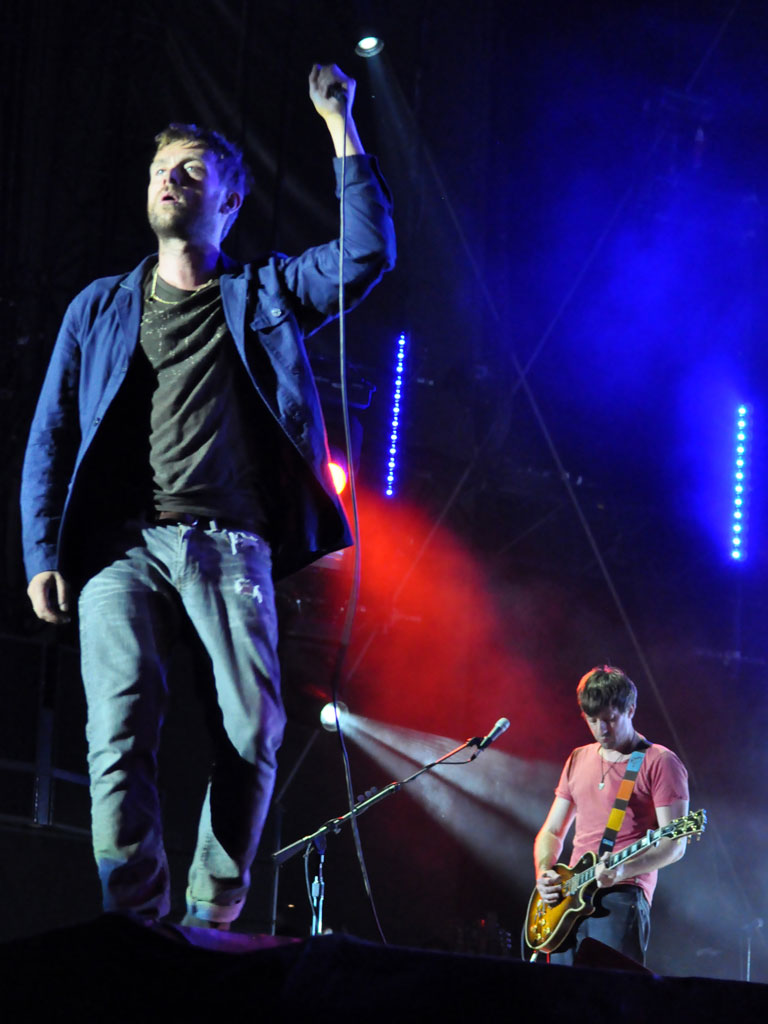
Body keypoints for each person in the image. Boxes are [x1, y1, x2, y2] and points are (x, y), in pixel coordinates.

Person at [20, 63, 395, 931]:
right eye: (162, 168)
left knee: (254, 730)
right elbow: (51, 433)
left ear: (229, 201)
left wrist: (339, 123)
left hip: (230, 545)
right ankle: (132, 918)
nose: (169, 179)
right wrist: (42, 552)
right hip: (123, 550)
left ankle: (209, 915)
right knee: (118, 726)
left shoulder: (263, 294)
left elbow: (366, 254)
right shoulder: (99, 308)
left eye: (191, 170)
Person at [533, 665, 689, 965]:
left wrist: (621, 870)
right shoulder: (578, 758)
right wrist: (544, 872)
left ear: (630, 710)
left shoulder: (660, 761)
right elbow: (551, 831)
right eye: (592, 720)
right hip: (569, 899)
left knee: (610, 990)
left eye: (610, 719)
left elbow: (674, 845)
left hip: (622, 894)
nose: (601, 730)